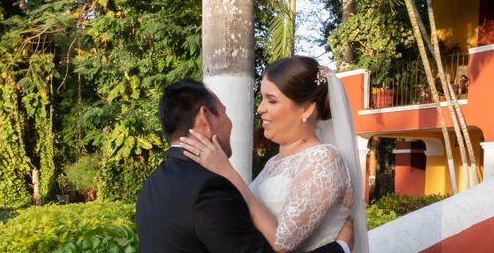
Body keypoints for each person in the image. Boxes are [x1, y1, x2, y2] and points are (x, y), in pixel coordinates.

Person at [136, 78, 353, 253]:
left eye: (272, 100)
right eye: (224, 111)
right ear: (206, 117)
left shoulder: (151, 187)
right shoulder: (208, 189)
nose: (260, 110)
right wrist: (340, 248)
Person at [180, 56, 366, 253]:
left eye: (272, 100)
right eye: (262, 98)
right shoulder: (274, 162)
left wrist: (227, 172)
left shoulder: (324, 159)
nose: (260, 109)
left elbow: (283, 242)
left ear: (306, 109)